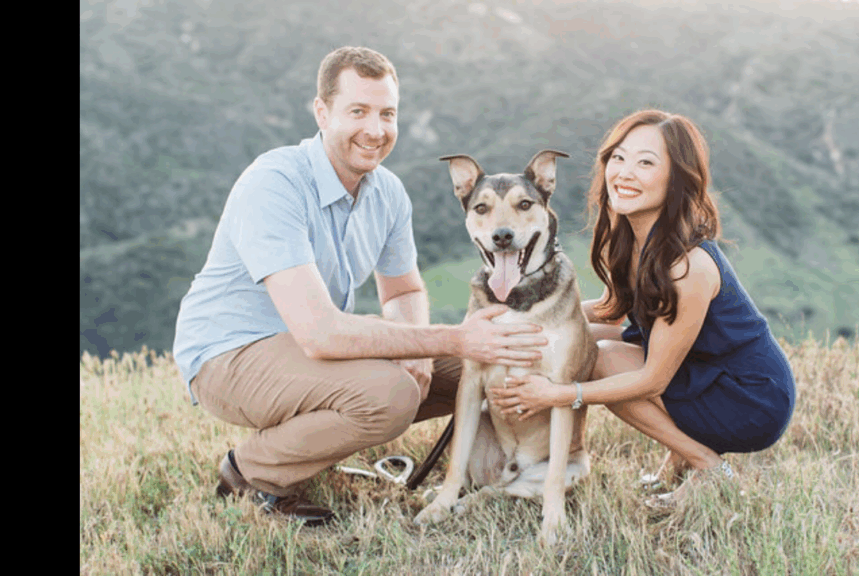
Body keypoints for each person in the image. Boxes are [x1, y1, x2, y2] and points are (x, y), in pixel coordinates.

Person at [172, 46, 547, 526]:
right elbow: (320, 334)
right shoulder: (274, 182)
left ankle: (510, 472)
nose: (376, 129)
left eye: (387, 113)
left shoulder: (387, 191)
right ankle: (253, 472)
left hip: (304, 351)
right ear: (322, 113)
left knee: (486, 367)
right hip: (228, 355)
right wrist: (451, 337)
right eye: (358, 112)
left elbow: (403, 292)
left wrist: (418, 353)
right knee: (388, 395)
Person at [491, 109, 796, 507]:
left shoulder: (686, 266)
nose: (624, 172)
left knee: (601, 357)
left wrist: (557, 394)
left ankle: (706, 465)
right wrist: (527, 317)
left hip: (749, 398)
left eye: (646, 162)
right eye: (618, 157)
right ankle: (675, 457)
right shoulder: (631, 237)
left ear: (676, 180)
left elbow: (652, 380)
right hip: (704, 369)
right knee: (584, 336)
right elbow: (611, 309)